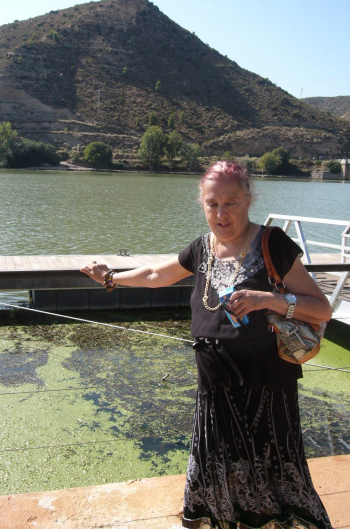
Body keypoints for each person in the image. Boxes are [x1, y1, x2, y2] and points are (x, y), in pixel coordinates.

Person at [81, 161, 332, 529]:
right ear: (202, 204)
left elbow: (321, 309)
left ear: (249, 200)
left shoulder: (272, 243)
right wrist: (112, 278)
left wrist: (270, 300)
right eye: (212, 203)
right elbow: (155, 274)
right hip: (215, 391)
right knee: (218, 480)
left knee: (276, 478)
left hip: (269, 391)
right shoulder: (201, 249)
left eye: (231, 202)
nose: (221, 213)